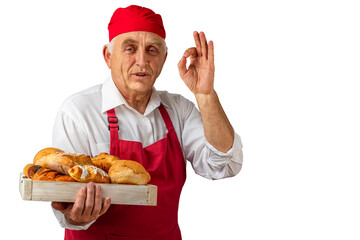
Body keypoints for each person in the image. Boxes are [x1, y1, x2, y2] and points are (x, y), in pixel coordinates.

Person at [50, 5, 243, 240]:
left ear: (164, 58)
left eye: (152, 50)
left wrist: (205, 95)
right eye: (130, 49)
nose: (142, 61)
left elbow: (223, 165)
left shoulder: (178, 110)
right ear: (108, 56)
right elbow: (64, 207)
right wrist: (73, 215)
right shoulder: (79, 112)